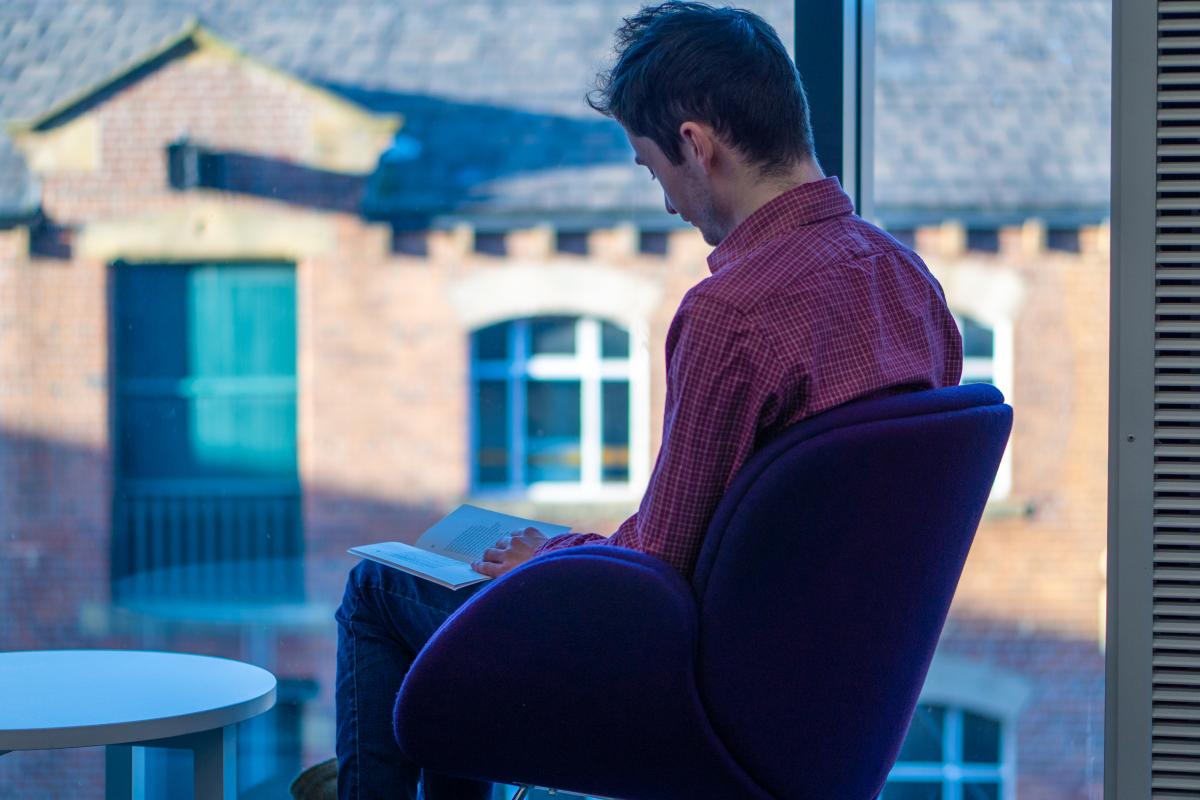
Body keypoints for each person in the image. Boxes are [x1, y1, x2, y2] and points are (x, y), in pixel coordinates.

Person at [330, 3, 963, 799]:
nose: (666, 201)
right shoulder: (911, 285)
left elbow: (659, 569)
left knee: (381, 590)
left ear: (696, 147)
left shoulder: (735, 313)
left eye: (652, 168)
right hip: (832, 711)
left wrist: (549, 562)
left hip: (703, 698)